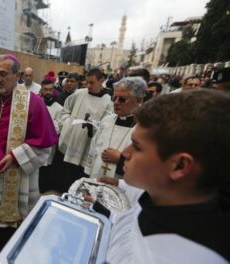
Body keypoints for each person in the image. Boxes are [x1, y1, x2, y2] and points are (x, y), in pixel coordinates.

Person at [99, 90, 230, 263]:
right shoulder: (163, 195)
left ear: (179, 166)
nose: (125, 153)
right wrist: (118, 184)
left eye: (137, 147)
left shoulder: (188, 256)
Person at [0, 54, 57, 251]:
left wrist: (14, 157)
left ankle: (13, 249)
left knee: (14, 224)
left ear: (17, 74)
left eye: (3, 74)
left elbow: (45, 144)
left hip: (17, 174)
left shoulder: (34, 103)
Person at [58, 68, 113, 192]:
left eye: (92, 83)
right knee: (67, 178)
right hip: (73, 141)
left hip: (88, 145)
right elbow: (65, 110)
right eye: (87, 82)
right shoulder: (79, 93)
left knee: (81, 181)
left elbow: (107, 126)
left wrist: (93, 127)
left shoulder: (108, 101)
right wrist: (68, 123)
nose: (88, 85)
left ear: (102, 81)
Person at [84, 77, 146, 179]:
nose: (116, 102)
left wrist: (121, 159)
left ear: (138, 100)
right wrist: (87, 172)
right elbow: (94, 147)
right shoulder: (107, 120)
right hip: (95, 178)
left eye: (122, 99)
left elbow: (145, 166)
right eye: (114, 97)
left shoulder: (144, 129)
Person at [38, 79, 63, 193]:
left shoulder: (58, 108)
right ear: (41, 90)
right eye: (45, 89)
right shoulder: (37, 103)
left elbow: (59, 126)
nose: (48, 92)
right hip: (36, 141)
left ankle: (44, 188)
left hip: (49, 142)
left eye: (50, 90)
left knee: (47, 165)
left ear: (53, 90)